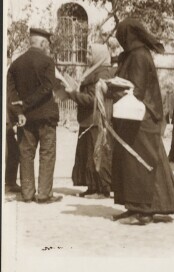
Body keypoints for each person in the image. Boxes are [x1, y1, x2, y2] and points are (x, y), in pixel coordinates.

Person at [110, 18, 174, 225]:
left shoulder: (139, 57)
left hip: (142, 119)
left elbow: (137, 89)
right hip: (137, 118)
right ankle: (134, 205)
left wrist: (110, 88)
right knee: (139, 163)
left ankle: (143, 211)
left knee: (139, 164)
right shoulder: (133, 55)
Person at [7, 28, 62, 204]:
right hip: (46, 117)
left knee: (26, 154)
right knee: (47, 154)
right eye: (47, 44)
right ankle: (44, 194)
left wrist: (19, 111)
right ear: (43, 43)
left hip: (25, 119)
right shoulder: (47, 62)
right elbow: (47, 88)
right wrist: (27, 103)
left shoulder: (15, 64)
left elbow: (11, 93)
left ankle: (27, 193)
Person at [66, 43, 113, 198]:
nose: (87, 57)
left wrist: (73, 94)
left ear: (99, 56)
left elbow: (94, 100)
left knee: (97, 155)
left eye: (90, 54)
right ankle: (92, 187)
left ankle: (102, 189)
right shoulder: (93, 72)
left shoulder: (102, 74)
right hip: (88, 120)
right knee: (87, 155)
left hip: (96, 121)